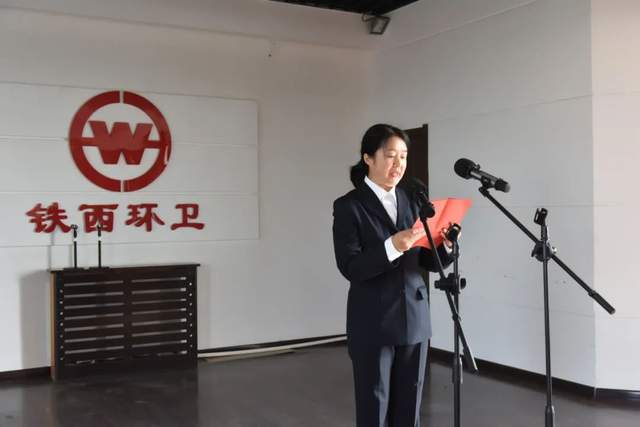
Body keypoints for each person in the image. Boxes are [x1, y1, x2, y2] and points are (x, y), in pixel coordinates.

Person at [332, 124, 456, 427]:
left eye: (403, 156)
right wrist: (392, 246)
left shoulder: (414, 200)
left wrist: (446, 246)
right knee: (374, 409)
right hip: (373, 321)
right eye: (390, 155)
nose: (399, 163)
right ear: (368, 158)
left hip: (414, 317)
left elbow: (427, 261)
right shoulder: (349, 205)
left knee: (410, 410)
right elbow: (351, 267)